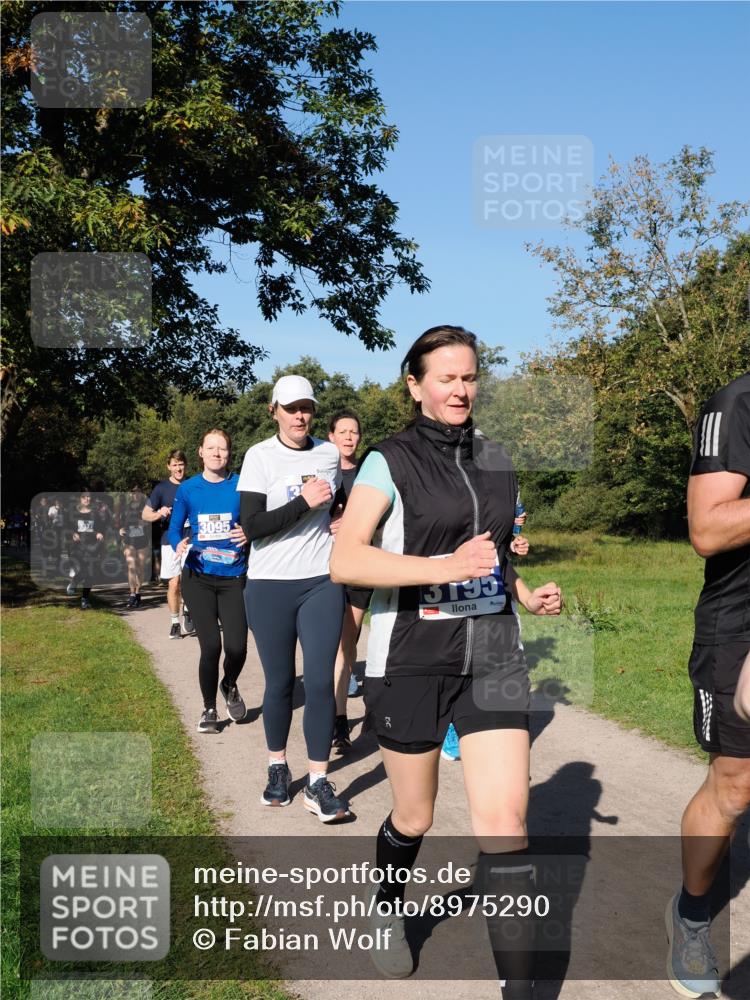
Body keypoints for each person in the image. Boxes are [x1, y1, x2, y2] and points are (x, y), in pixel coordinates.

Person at [330, 326, 562, 992]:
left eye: (469, 377)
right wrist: (438, 565)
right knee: (416, 815)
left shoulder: (497, 456)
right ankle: (387, 911)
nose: (460, 389)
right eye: (446, 377)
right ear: (416, 384)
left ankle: (518, 987)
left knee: (505, 822)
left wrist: (523, 591)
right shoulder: (389, 460)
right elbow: (345, 558)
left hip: (492, 651)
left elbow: (487, 549)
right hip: (410, 655)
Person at [667, 371, 750, 1000]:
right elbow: (709, 529)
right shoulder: (736, 403)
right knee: (736, 782)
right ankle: (693, 915)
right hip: (741, 622)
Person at [238, 374, 350, 822]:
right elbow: (252, 525)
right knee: (281, 682)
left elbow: (338, 504)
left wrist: (343, 519)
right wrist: (303, 502)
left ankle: (319, 782)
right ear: (274, 411)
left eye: (306, 407)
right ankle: (278, 768)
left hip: (321, 581)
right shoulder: (259, 456)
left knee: (320, 681)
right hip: (268, 584)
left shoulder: (328, 454)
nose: (299, 415)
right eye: (291, 407)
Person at [168, 429, 248, 734]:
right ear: (200, 452)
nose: (217, 453)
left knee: (238, 647)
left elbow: (254, 520)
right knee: (211, 646)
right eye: (211, 448)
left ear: (229, 453)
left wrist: (248, 533)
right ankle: (209, 709)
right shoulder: (188, 489)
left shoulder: (241, 484)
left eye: (223, 448)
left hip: (233, 577)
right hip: (198, 577)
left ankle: (229, 683)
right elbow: (175, 529)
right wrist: (178, 544)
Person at [327, 409, 372, 752]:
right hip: (325, 566)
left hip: (361, 566)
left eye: (353, 432)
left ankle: (341, 718)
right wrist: (326, 525)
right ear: (331, 436)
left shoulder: (370, 473)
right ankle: (335, 716)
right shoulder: (321, 472)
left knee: (348, 643)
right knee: (331, 644)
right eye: (342, 431)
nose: (348, 437)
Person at [143, 450, 194, 639]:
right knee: (174, 584)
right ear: (169, 466)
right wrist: (159, 513)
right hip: (169, 542)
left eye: (181, 464)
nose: (178, 468)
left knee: (189, 581)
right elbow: (145, 514)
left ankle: (188, 611)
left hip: (191, 540)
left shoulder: (193, 485)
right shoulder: (161, 489)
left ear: (185, 466)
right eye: (174, 464)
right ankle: (174, 622)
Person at [65, 489, 106, 609]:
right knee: (83, 569)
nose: (87, 499)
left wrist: (99, 533)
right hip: (77, 547)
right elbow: (66, 528)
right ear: (80, 499)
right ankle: (74, 582)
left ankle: (85, 599)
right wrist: (73, 533)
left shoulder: (95, 514)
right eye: (84, 497)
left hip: (92, 547)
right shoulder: (73, 513)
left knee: (90, 573)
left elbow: (100, 528)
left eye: (88, 497)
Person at [117, 487, 150, 607]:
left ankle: (137, 592)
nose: (135, 494)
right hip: (129, 540)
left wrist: (146, 522)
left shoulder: (146, 507)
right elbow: (119, 523)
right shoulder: (125, 508)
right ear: (130, 494)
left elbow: (153, 519)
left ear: (141, 494)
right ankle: (131, 594)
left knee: (140, 567)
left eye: (138, 492)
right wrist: (120, 530)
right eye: (133, 492)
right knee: (131, 566)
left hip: (143, 541)